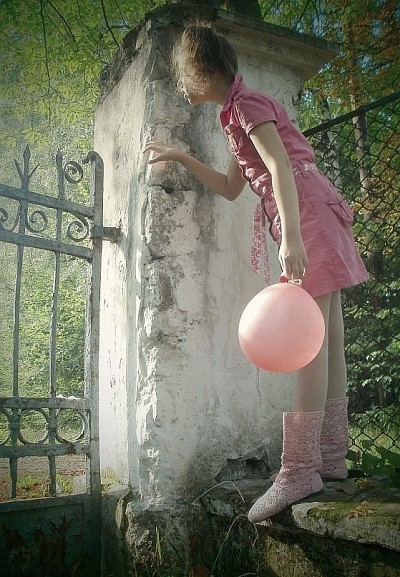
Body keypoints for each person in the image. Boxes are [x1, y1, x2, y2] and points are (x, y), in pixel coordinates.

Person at [144, 25, 368, 522]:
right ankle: (331, 458)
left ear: (202, 69)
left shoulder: (246, 105)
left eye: (184, 73)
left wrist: (291, 237)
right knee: (327, 336)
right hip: (314, 208)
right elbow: (231, 187)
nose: (182, 84)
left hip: (306, 212)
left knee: (310, 341)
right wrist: (180, 156)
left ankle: (299, 470)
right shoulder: (237, 111)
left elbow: (281, 167)